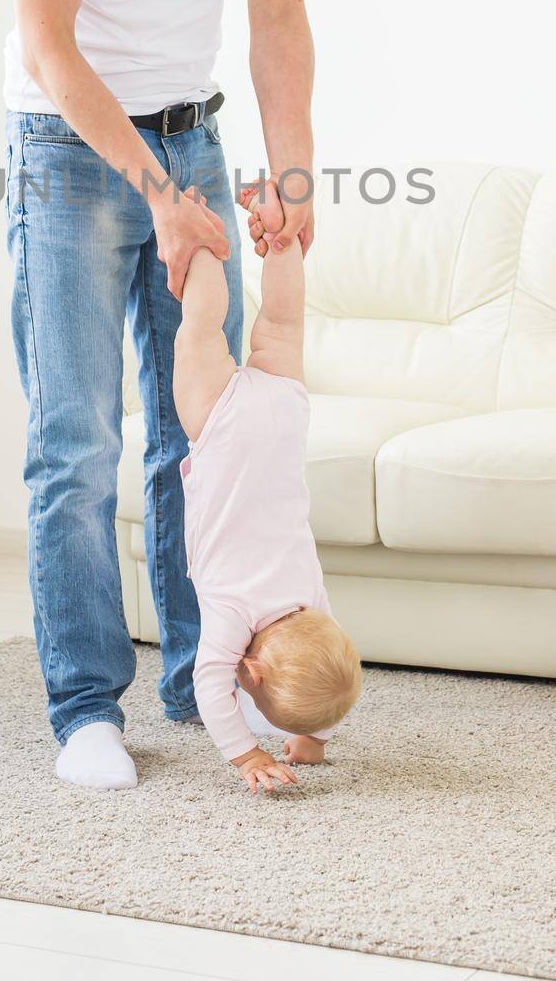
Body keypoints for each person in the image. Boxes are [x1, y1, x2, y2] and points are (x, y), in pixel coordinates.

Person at [3, 0, 316, 789]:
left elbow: (277, 12)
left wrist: (291, 171)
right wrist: (157, 196)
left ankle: (204, 675)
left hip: (195, 130)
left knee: (204, 437)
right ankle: (86, 706)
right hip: (71, 148)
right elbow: (48, 42)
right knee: (76, 443)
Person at [174, 178, 362, 795]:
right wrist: (247, 755)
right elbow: (209, 683)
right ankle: (198, 232)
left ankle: (277, 233)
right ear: (249, 670)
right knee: (201, 324)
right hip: (222, 428)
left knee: (281, 321)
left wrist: (312, 735)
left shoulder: (313, 605)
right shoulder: (233, 616)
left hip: (281, 418)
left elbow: (329, 671)